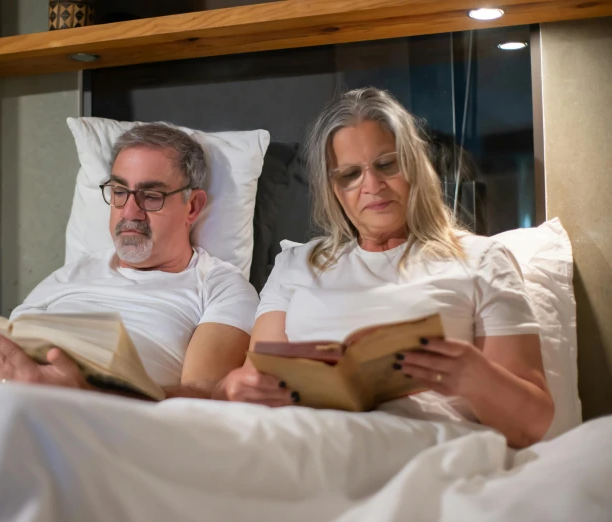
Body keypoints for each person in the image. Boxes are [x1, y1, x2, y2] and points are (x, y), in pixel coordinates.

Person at [217, 87, 554, 448]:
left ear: (414, 165)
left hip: (429, 449)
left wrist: (475, 376)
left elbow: (532, 426)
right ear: (333, 189)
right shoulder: (296, 265)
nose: (372, 186)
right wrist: (232, 388)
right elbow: (256, 377)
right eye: (349, 174)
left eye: (386, 165)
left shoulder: (481, 260)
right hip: (309, 445)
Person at [0, 123, 259, 399]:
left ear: (193, 207)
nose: (129, 212)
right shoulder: (73, 273)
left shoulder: (221, 287)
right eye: (120, 192)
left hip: (86, 417)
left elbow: (202, 397)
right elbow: (9, 345)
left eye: (151, 196)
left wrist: (85, 391)